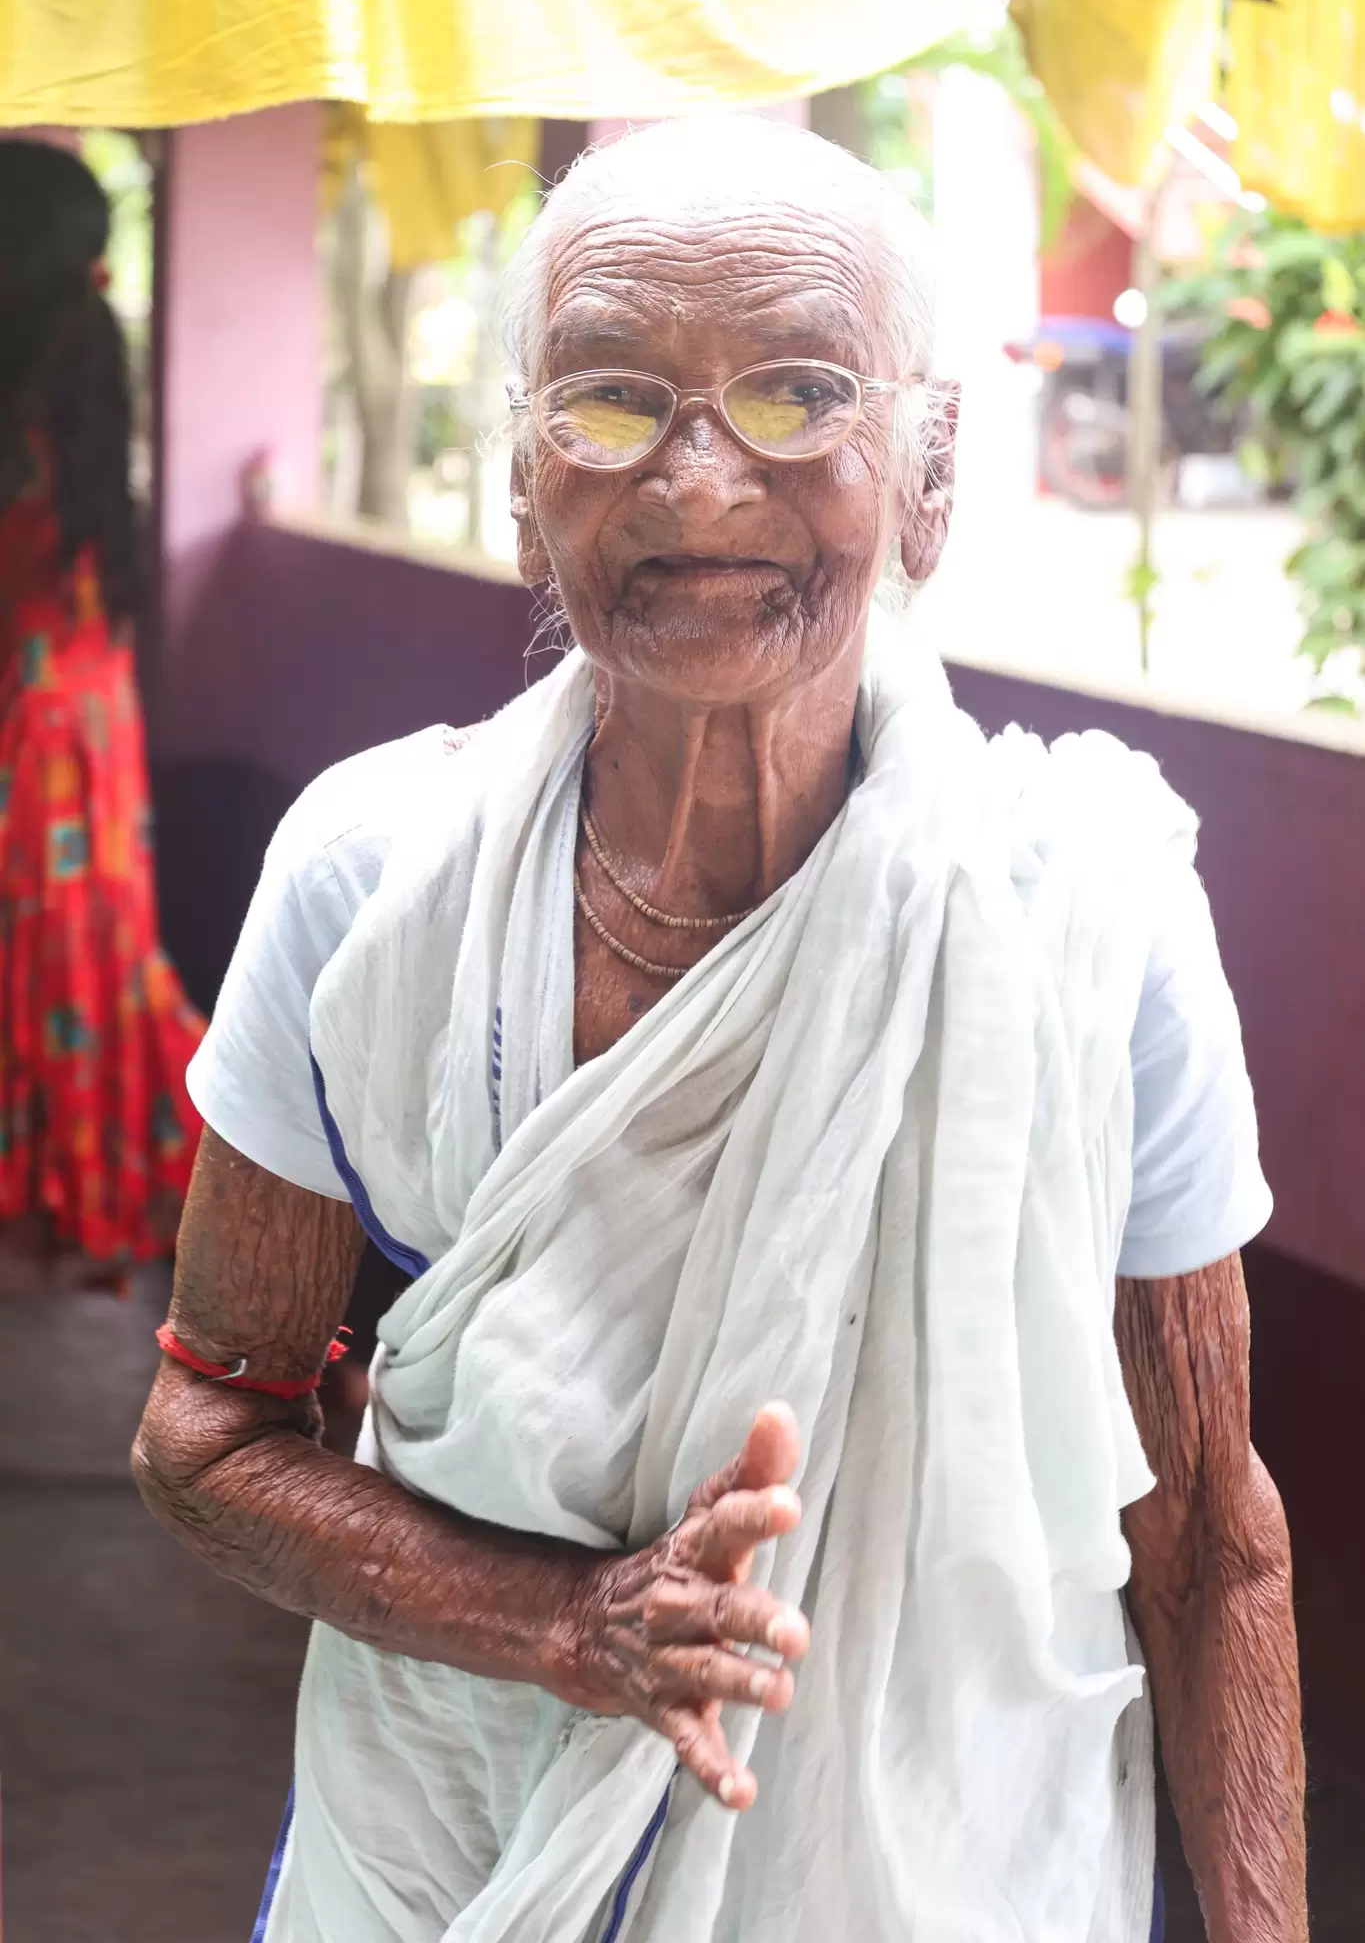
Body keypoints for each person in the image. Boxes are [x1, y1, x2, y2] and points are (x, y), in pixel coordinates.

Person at [133, 118, 1306, 1943]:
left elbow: (1213, 1548)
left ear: (929, 476)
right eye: (609, 399)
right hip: (449, 1863)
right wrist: (564, 1624)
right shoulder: (374, 884)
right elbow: (207, 1435)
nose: (696, 480)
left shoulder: (1083, 920)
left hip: (954, 1876)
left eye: (798, 393)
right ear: (522, 479)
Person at [0, 139, 203, 1292]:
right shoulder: (85, 364)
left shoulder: (17, 396)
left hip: (25, 724)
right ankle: (86, 1191)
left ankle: (40, 1199)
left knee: (34, 948)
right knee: (90, 950)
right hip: (89, 715)